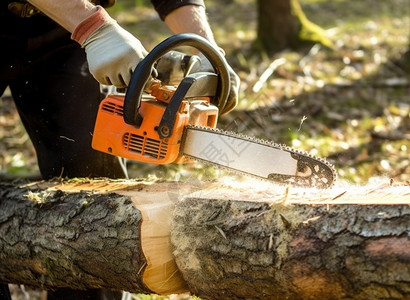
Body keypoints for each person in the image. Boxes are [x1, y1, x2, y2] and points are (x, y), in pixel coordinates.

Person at [0, 0, 239, 299]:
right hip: (77, 20)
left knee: (89, 169)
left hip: (63, 26)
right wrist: (93, 28)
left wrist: (205, 48)